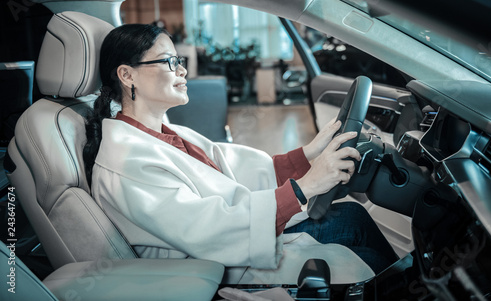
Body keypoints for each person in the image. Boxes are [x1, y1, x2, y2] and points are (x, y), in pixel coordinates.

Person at [84, 24, 398, 284]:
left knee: (353, 216)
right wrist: (306, 187)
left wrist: (308, 152)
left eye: (178, 60)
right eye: (168, 61)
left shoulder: (161, 131)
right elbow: (205, 229)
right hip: (213, 269)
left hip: (240, 239)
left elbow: (228, 166)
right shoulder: (125, 160)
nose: (182, 70)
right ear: (127, 76)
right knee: (369, 264)